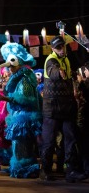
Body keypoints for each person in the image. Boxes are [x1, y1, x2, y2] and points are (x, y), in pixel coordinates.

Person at [39, 35, 87, 182]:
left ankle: (71, 171)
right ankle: (45, 170)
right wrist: (57, 73)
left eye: (62, 47)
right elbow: (53, 71)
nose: (61, 50)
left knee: (70, 139)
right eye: (58, 47)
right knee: (49, 141)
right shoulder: (51, 60)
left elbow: (69, 76)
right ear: (53, 49)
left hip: (66, 108)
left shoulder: (66, 59)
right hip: (52, 109)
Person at [0, 42, 42, 178]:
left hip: (24, 118)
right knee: (18, 145)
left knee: (22, 145)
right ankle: (20, 167)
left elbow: (25, 98)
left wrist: (5, 99)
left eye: (11, 66)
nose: (9, 69)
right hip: (19, 115)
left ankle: (25, 168)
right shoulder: (19, 77)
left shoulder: (25, 79)